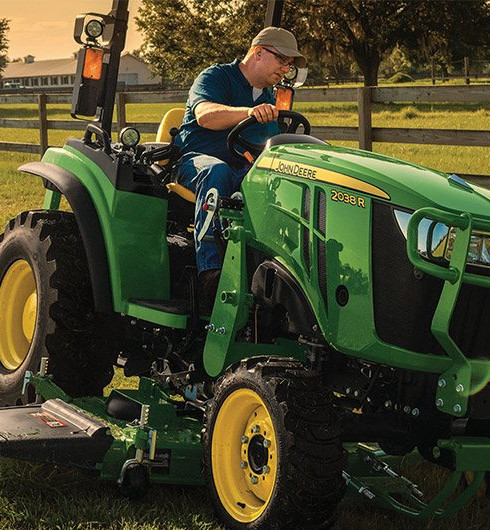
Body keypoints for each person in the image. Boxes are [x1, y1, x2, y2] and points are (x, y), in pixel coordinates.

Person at [174, 27, 306, 306]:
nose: (285, 69)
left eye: (289, 65)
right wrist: (248, 113)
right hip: (195, 162)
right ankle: (209, 273)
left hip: (241, 166)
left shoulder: (269, 99)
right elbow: (205, 116)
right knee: (217, 171)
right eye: (282, 60)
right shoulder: (216, 77)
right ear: (259, 53)